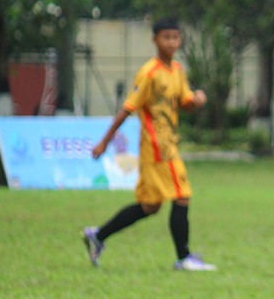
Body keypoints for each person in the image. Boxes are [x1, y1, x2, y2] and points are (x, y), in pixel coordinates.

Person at [82, 17, 216, 272]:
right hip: (156, 147)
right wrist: (104, 142)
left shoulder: (176, 71)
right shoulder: (149, 73)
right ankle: (183, 257)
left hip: (168, 145)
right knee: (182, 196)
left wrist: (196, 101)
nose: (171, 42)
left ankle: (97, 236)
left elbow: (184, 102)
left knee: (150, 206)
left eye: (175, 37)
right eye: (166, 37)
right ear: (155, 40)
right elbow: (127, 109)